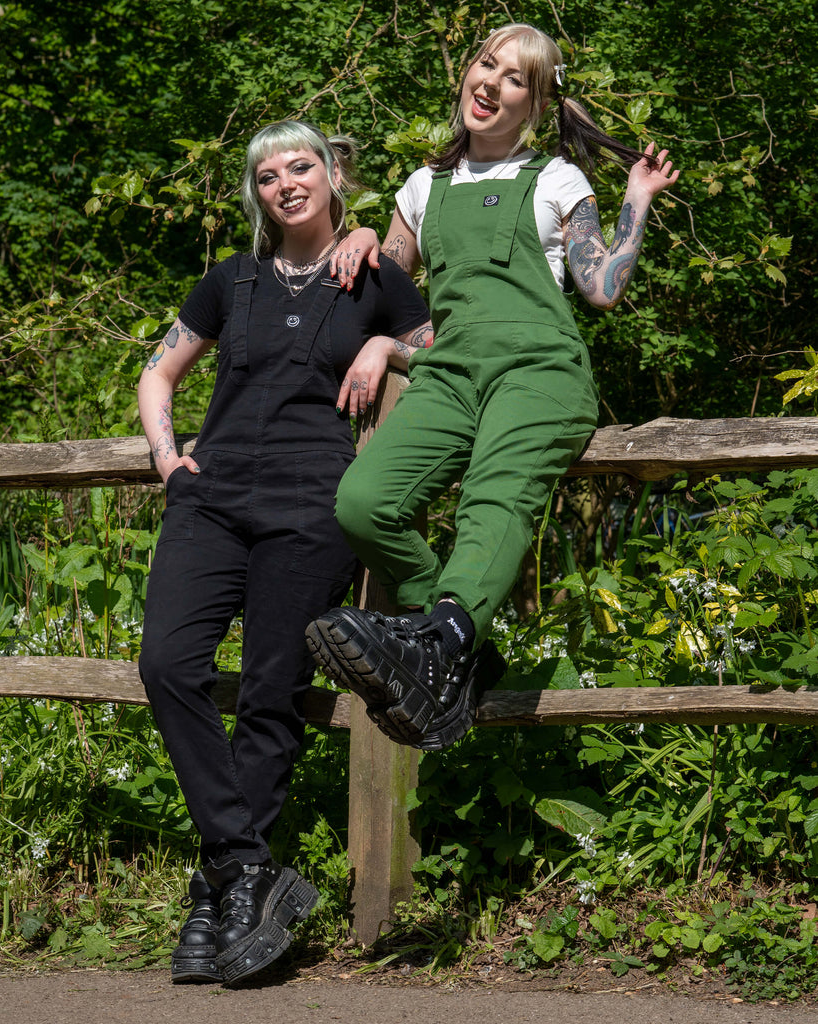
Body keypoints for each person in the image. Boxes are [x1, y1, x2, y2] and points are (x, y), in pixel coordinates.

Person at [305, 23, 680, 752]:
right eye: (486, 63)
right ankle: (454, 646)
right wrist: (360, 241)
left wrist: (636, 197)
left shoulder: (557, 180)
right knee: (363, 502)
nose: (490, 83)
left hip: (538, 373)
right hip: (448, 375)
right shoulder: (423, 188)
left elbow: (601, 288)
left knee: (493, 496)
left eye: (515, 79)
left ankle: (441, 643)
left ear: (533, 105)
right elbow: (386, 288)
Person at [137, 120, 431, 986]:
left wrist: (382, 343)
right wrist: (169, 460)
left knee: (271, 693)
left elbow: (440, 348)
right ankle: (246, 868)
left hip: (311, 504)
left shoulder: (375, 276)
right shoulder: (230, 279)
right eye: (268, 176)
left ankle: (217, 897)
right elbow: (158, 373)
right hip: (212, 497)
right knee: (167, 666)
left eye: (301, 167)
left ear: (332, 174)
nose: (286, 184)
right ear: (255, 194)